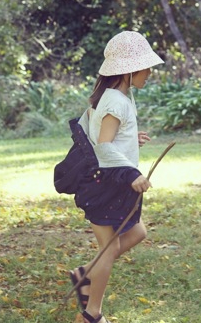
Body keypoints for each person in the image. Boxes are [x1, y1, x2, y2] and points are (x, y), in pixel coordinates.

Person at [67, 31, 164, 323]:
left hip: (114, 183)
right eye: (146, 67)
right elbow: (103, 146)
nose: (149, 72)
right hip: (105, 185)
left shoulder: (119, 97)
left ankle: (84, 274)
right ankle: (92, 314)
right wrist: (132, 172)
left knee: (137, 233)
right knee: (108, 250)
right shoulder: (114, 101)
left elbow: (107, 137)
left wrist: (129, 138)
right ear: (130, 69)